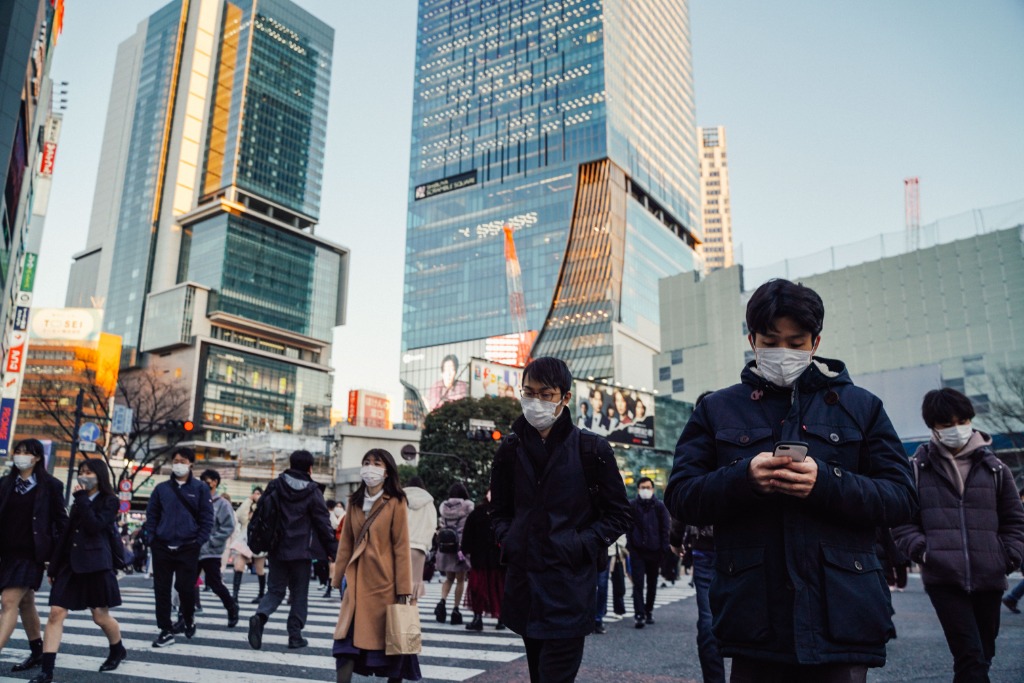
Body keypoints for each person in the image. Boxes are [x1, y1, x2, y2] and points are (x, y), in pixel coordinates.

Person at [664, 278, 917, 682]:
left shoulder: (861, 407)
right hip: (754, 615)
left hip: (842, 610)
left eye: (796, 343)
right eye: (770, 341)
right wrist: (743, 478)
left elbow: (902, 498)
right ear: (752, 340)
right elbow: (680, 496)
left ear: (816, 343)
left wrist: (826, 483)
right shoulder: (717, 409)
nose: (783, 352)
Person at [491, 356, 632, 683]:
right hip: (525, 587)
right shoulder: (510, 449)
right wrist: (510, 537)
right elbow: (497, 510)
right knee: (539, 675)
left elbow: (619, 514)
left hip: (569, 586)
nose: (535, 402)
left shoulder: (592, 449)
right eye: (528, 393)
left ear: (565, 397)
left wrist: (578, 544)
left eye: (545, 394)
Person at [892, 388, 1024, 683]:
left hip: (990, 575)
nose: (957, 429)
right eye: (946, 424)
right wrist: (925, 552)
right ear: (933, 427)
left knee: (983, 655)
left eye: (962, 420)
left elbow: (1015, 520)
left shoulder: (996, 469)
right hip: (944, 578)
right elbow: (902, 522)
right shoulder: (916, 469)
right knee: (970, 655)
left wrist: (1009, 555)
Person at [331, 449, 421, 682]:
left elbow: (401, 546)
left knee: (393, 642)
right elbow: (346, 543)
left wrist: (403, 589)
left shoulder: (396, 501)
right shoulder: (354, 500)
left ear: (387, 471)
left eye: (376, 463)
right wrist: (337, 577)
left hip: (385, 583)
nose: (370, 468)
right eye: (366, 462)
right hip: (356, 581)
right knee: (345, 644)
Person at [32, 459, 125, 682]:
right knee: (56, 613)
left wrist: (82, 499)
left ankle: (117, 649)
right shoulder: (78, 501)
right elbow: (66, 535)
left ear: (99, 475)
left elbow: (95, 526)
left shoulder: (110, 501)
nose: (83, 475)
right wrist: (53, 567)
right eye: (81, 471)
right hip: (70, 565)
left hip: (96, 565)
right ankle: (47, 670)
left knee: (100, 617)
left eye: (89, 472)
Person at [247, 450, 337, 651]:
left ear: (291, 464)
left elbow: (261, 513)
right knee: (299, 594)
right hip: (301, 551)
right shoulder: (313, 492)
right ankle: (295, 635)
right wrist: (333, 550)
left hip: (277, 549)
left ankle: (260, 617)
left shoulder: (275, 485)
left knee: (275, 591)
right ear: (310, 468)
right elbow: (323, 524)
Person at [0, 439, 68, 672]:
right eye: (17, 452)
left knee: (8, 601)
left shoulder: (50, 486)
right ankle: (38, 651)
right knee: (25, 601)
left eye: (26, 453)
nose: (21, 456)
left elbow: (61, 522)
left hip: (31, 554)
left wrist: (59, 558)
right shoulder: (5, 484)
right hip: (6, 553)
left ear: (37, 457)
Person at [143, 446, 214, 647]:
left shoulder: (200, 489)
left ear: (191, 463)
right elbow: (152, 515)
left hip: (188, 547)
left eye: (183, 461)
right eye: (175, 461)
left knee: (185, 588)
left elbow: (207, 518)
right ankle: (165, 629)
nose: (178, 464)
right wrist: (152, 539)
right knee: (162, 589)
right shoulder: (161, 489)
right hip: (162, 546)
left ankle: (188, 618)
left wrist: (198, 541)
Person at [196, 469, 239, 628]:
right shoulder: (197, 501)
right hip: (194, 549)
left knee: (214, 583)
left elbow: (229, 527)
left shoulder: (222, 503)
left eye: (208, 481)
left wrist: (212, 541)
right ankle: (185, 617)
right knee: (186, 584)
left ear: (215, 482)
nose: (205, 484)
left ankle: (231, 607)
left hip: (210, 551)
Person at [626, 477, 671, 629]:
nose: (645, 490)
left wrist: (664, 550)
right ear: (638, 489)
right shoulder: (632, 506)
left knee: (652, 583)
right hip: (637, 551)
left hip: (655, 551)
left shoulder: (659, 507)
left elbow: (665, 529)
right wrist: (631, 546)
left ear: (652, 489)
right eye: (642, 487)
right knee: (638, 583)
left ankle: (648, 610)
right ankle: (639, 614)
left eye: (648, 487)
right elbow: (628, 527)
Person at [461, 489, 505, 631]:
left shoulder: (477, 513)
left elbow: (468, 535)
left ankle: (478, 617)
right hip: (496, 558)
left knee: (478, 589)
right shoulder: (504, 513)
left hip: (480, 557)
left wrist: (465, 549)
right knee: (498, 589)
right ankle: (500, 618)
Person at [434, 482, 473, 625]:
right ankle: (455, 610)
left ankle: (442, 602)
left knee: (449, 578)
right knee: (460, 580)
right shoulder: (467, 507)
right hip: (460, 548)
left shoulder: (444, 507)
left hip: (445, 547)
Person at [229, 487, 266, 604]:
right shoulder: (248, 507)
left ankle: (261, 594)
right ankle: (235, 595)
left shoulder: (265, 506)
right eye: (255, 493)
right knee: (238, 566)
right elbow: (239, 515)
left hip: (260, 541)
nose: (256, 495)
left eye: (259, 493)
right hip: (245, 540)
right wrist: (249, 500)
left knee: (260, 569)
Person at [403, 476, 436, 604]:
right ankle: (411, 615)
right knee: (415, 582)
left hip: (401, 545)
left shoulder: (400, 498)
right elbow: (431, 525)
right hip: (419, 547)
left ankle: (398, 616)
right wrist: (426, 544)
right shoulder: (428, 501)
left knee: (398, 583)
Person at [323, 499, 346, 599]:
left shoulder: (345, 517)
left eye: (340, 506)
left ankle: (338, 588)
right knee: (332, 567)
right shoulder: (329, 517)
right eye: (337, 506)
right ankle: (330, 588)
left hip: (343, 544)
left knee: (340, 568)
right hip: (333, 544)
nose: (338, 508)